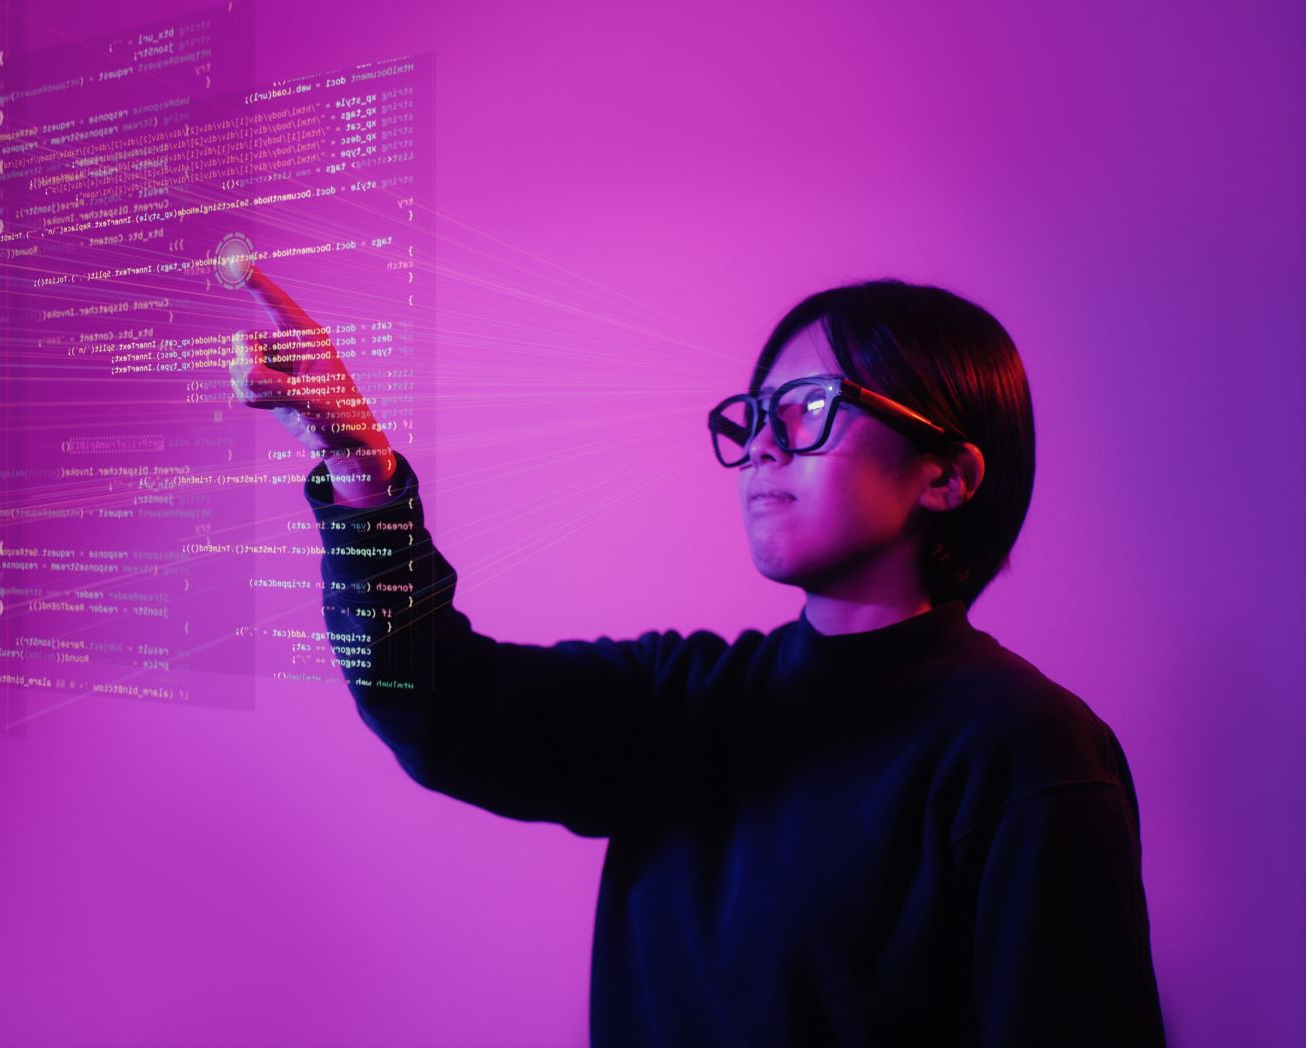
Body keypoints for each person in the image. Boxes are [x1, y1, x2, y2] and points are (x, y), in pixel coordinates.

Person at [229, 265, 1165, 1047]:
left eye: (808, 406)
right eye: (755, 411)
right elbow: (433, 703)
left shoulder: (1029, 752)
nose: (761, 440)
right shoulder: (683, 703)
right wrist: (357, 461)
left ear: (948, 476)